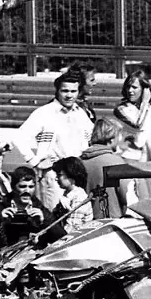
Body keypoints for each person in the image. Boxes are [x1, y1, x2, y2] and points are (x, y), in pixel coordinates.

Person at [14, 71, 93, 212]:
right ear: (57, 91)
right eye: (65, 91)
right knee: (53, 218)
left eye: (73, 91)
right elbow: (19, 137)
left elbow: (90, 138)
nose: (69, 95)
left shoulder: (81, 113)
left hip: (76, 176)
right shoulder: (44, 113)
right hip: (54, 176)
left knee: (76, 218)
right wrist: (35, 161)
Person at [0, 166, 66, 249]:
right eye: (22, 186)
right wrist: (0, 222)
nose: (27, 191)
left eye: (31, 187)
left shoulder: (40, 209)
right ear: (13, 187)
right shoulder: (0, 207)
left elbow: (62, 238)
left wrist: (43, 222)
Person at [81, 118, 132, 219]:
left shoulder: (79, 161)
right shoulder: (116, 162)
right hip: (110, 222)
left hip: (82, 223)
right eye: (119, 136)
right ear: (112, 139)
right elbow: (128, 197)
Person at [113, 69, 151, 158]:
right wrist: (145, 103)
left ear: (144, 89)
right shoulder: (121, 109)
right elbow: (138, 125)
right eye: (128, 86)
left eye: (134, 87)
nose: (130, 90)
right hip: (129, 157)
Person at [51, 157, 93, 232]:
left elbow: (71, 229)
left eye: (59, 175)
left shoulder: (79, 197)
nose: (56, 178)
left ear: (72, 174)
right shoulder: (68, 195)